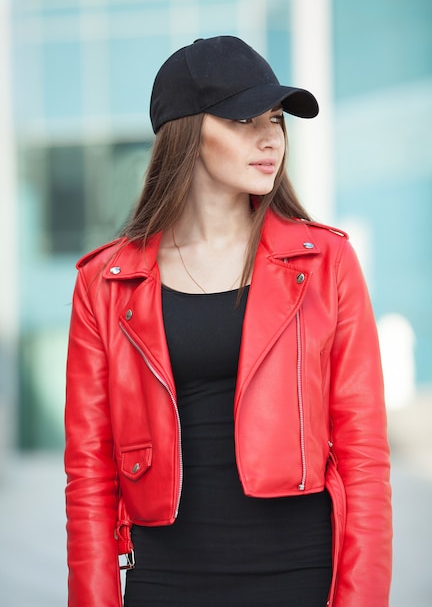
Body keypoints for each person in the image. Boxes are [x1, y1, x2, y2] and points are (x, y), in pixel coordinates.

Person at [65, 35, 392, 607]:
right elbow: (90, 477)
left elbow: (364, 458)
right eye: (247, 119)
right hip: (164, 578)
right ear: (187, 132)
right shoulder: (105, 282)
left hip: (300, 574)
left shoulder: (325, 263)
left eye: (277, 119)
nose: (272, 138)